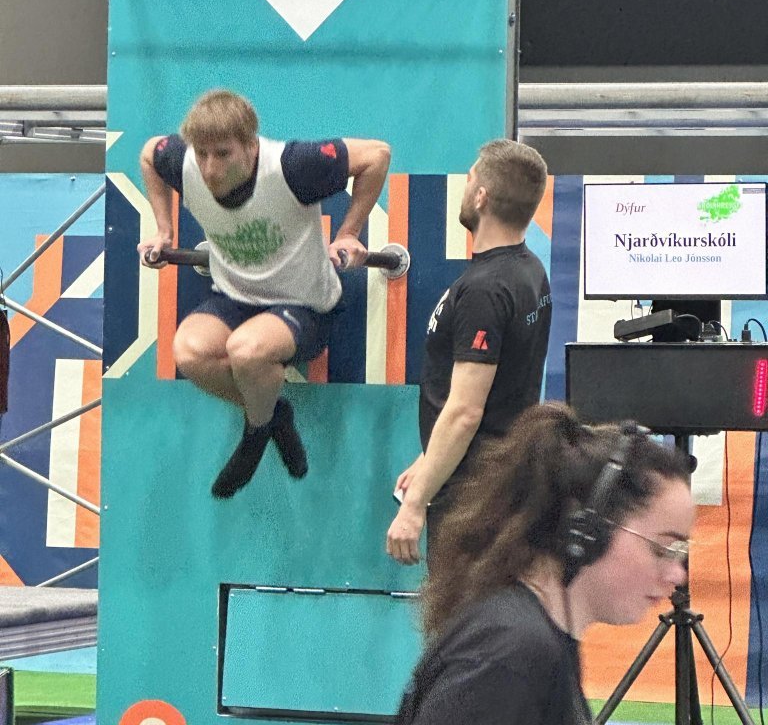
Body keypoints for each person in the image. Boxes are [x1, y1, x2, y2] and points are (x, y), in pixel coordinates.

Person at [137, 89, 390, 497]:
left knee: (247, 351)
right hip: (235, 299)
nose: (209, 168)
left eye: (223, 154)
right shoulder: (183, 162)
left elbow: (377, 155)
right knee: (188, 352)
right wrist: (163, 230)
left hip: (304, 307)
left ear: (252, 146)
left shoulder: (292, 166)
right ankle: (272, 414)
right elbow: (150, 154)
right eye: (202, 154)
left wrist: (349, 232)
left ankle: (256, 433)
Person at [396, 401, 694, 725]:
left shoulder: (539, 641)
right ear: (589, 531)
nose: (677, 574)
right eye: (662, 548)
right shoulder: (511, 653)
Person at [387, 139, 551, 564]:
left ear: (481, 197)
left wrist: (414, 504)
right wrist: (430, 458)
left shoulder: (485, 290)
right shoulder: (530, 270)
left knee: (463, 607)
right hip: (498, 479)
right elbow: (502, 389)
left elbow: (465, 410)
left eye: (470, 178)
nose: (465, 187)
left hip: (472, 495)